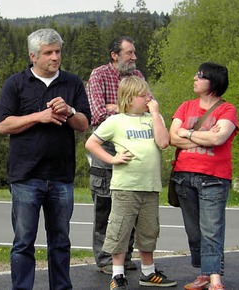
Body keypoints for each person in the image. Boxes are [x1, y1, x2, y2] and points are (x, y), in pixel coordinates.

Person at [0, 28, 91, 290]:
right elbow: (4, 125)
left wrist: (69, 110)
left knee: (60, 241)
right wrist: (39, 116)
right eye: (48, 53)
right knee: (24, 241)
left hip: (61, 176)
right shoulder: (16, 83)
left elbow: (84, 124)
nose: (55, 57)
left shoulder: (72, 83)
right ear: (33, 56)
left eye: (58, 51)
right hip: (26, 176)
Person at [85, 76, 175, 289]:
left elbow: (163, 142)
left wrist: (154, 114)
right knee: (120, 230)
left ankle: (148, 272)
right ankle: (117, 275)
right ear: (128, 98)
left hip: (150, 186)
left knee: (148, 230)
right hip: (125, 186)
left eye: (148, 94)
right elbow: (91, 143)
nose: (147, 98)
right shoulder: (116, 121)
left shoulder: (154, 117)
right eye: (142, 95)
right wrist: (112, 159)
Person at [169, 62, 237, 290]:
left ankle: (215, 277)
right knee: (194, 230)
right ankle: (205, 273)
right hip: (183, 177)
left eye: (201, 76)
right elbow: (172, 138)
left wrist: (187, 133)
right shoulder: (186, 106)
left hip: (213, 177)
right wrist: (204, 135)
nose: (195, 78)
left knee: (212, 228)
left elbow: (218, 139)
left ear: (213, 82)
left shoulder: (227, 109)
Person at [86, 36, 148, 274]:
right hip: (106, 146)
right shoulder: (99, 75)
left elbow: (149, 107)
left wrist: (116, 107)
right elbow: (99, 114)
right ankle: (104, 259)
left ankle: (125, 257)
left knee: (130, 204)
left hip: (133, 145)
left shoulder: (138, 77)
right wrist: (127, 109)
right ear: (115, 55)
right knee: (105, 206)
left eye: (134, 53)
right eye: (129, 53)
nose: (134, 57)